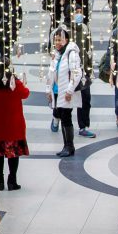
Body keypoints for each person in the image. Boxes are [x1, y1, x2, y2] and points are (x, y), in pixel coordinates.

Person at [0, 58, 30, 191]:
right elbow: (25, 94)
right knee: (13, 154)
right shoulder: (15, 83)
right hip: (13, 125)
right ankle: (12, 180)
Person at [47, 26, 83, 158]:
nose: (57, 42)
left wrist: (69, 90)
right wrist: (49, 89)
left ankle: (69, 146)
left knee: (66, 118)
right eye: (55, 40)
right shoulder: (57, 54)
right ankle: (66, 145)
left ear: (66, 40)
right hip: (57, 91)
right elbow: (51, 73)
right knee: (62, 117)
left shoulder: (71, 53)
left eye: (60, 40)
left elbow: (76, 73)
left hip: (66, 92)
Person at [69, 4, 96, 138]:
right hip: (68, 71)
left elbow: (89, 49)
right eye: (76, 12)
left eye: (80, 12)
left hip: (83, 71)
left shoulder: (85, 28)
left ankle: (83, 126)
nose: (79, 14)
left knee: (85, 98)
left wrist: (89, 68)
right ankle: (56, 116)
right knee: (64, 99)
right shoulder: (64, 30)